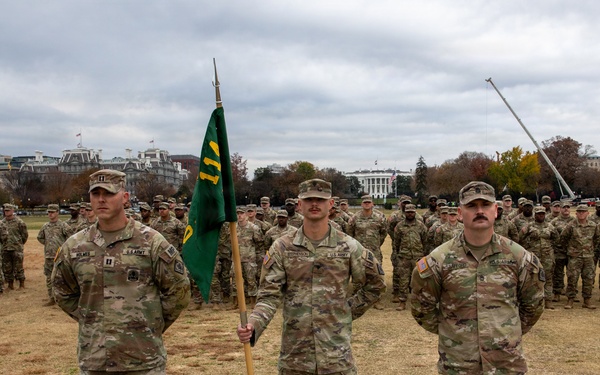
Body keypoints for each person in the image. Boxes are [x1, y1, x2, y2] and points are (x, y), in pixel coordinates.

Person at [237, 178, 386, 374]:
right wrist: (253, 324)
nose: (314, 204)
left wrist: (347, 310)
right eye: (308, 200)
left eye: (320, 199)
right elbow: (268, 296)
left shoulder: (348, 246)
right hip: (296, 358)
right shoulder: (282, 247)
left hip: (337, 357)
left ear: (331, 204)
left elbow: (376, 284)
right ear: (299, 205)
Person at [52, 169, 190, 374]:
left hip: (142, 359)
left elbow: (179, 291)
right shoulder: (74, 246)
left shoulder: (151, 242)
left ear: (125, 197)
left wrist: (149, 324)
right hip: (95, 359)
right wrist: (92, 318)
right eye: (95, 194)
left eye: (108, 193)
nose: (101, 200)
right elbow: (62, 292)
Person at [410, 181, 544, 374]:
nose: (479, 211)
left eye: (485, 205)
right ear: (459, 213)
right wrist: (454, 333)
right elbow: (422, 308)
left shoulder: (518, 257)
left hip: (506, 363)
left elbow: (533, 305)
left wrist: (506, 333)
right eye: (471, 206)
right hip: (459, 364)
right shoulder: (438, 260)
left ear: (495, 211)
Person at [559, 204, 600, 309]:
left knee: (589, 278)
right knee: (572, 278)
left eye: (583, 211)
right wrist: (570, 250)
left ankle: (587, 300)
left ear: (588, 213)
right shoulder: (571, 225)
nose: (581, 213)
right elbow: (563, 238)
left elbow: (596, 239)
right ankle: (570, 300)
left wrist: (591, 249)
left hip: (588, 256)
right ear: (576, 213)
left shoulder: (593, 226)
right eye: (579, 211)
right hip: (574, 256)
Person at [520, 206, 559, 309]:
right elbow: (520, 238)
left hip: (547, 258)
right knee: (533, 279)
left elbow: (557, 239)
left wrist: (550, 249)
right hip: (534, 258)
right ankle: (534, 301)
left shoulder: (550, 226)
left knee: (548, 279)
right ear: (535, 215)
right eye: (538, 214)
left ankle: (548, 301)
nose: (541, 215)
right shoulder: (529, 226)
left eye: (542, 214)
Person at [37, 204, 73, 306]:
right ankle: (51, 298)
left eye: (52, 212)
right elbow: (40, 237)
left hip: (60, 257)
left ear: (57, 212)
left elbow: (71, 239)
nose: (50, 214)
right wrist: (49, 244)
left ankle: (63, 298)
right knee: (49, 277)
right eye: (49, 212)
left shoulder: (63, 226)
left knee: (62, 277)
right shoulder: (45, 226)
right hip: (49, 256)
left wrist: (62, 247)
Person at [393, 204, 427, 311]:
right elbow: (396, 241)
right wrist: (400, 253)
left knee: (420, 280)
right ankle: (402, 302)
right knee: (403, 280)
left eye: (412, 212)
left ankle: (419, 302)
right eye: (408, 212)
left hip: (418, 257)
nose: (410, 214)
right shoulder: (399, 226)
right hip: (404, 257)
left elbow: (425, 241)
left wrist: (423, 254)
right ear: (405, 213)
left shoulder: (421, 226)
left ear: (415, 212)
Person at [1, 204, 28, 290]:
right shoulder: (2, 223)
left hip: (16, 248)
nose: (7, 212)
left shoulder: (19, 222)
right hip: (5, 248)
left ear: (13, 211)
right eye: (5, 211)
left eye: (8, 210)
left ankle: (21, 284)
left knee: (18, 267)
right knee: (7, 268)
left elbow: (24, 235)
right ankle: (10, 285)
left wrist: (19, 244)